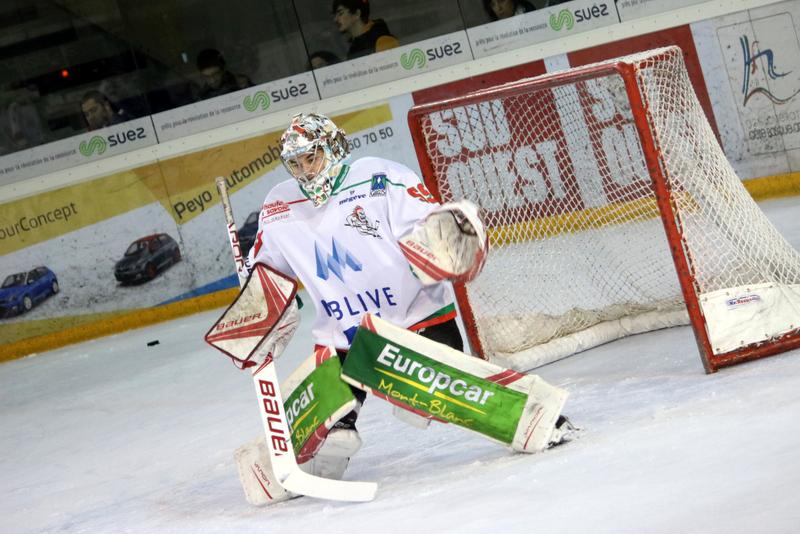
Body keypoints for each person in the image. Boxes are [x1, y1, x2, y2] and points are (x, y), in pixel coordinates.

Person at [331, 0, 399, 60]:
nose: (335, 19)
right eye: (335, 15)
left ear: (357, 14)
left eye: (340, 13)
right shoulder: (354, 48)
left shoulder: (382, 41)